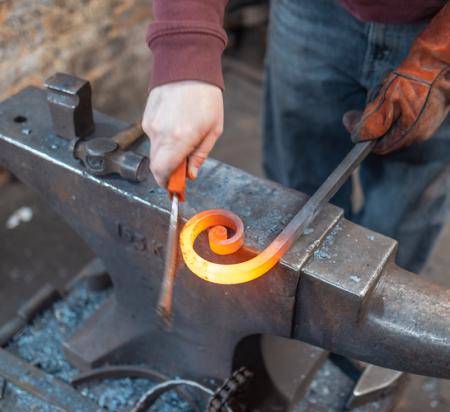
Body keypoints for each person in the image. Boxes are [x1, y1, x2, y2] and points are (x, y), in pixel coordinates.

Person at [142, 0, 450, 272]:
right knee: (296, 191)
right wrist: (186, 45)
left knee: (400, 218)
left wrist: (439, 57)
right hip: (309, 12)